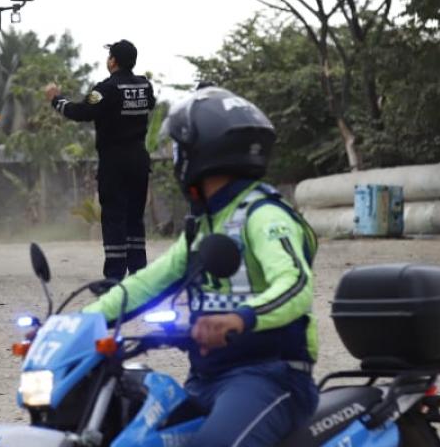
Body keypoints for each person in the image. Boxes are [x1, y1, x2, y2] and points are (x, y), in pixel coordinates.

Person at [82, 86, 319, 446]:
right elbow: (148, 283)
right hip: (208, 377)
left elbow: (295, 284)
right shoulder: (205, 224)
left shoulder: (263, 214)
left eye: (179, 148)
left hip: (270, 377)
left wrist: (242, 318)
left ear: (200, 152)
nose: (176, 158)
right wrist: (80, 323)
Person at [44, 39, 155, 279]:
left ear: (112, 61)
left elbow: (81, 112)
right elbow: (150, 105)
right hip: (139, 162)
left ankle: (114, 278)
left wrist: (56, 99)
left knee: (114, 217)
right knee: (135, 218)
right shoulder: (145, 87)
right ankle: (139, 276)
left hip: (114, 164)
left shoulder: (105, 89)